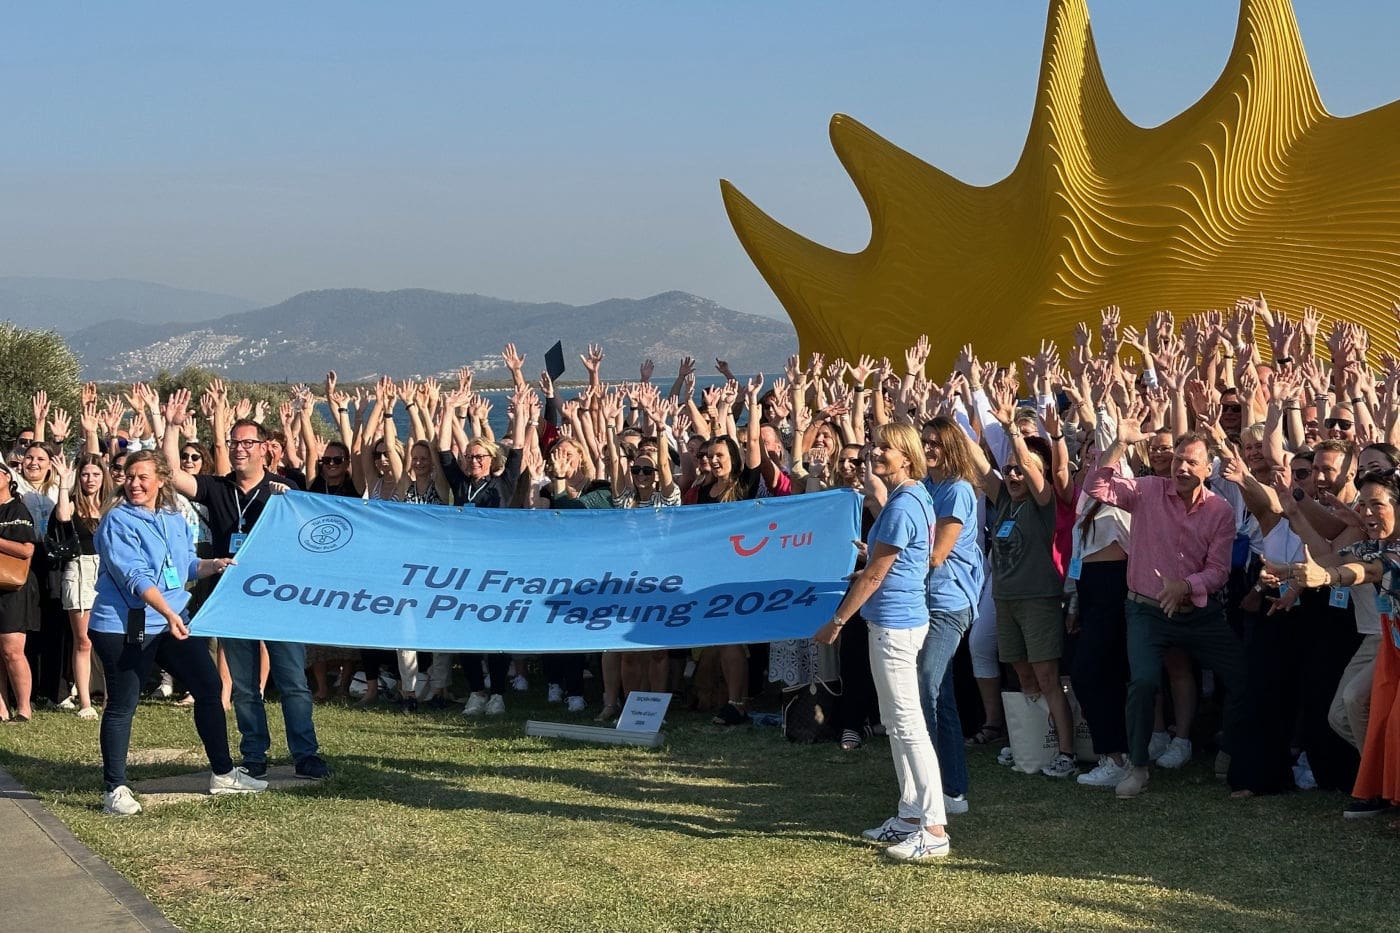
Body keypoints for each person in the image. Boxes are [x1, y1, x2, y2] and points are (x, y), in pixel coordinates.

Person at [161, 392, 330, 780]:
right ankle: (254, 754)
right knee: (244, 686)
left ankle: (305, 753)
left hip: (278, 599)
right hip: (235, 599)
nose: (239, 449)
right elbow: (171, 472)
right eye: (234, 443)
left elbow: (312, 534)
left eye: (247, 443)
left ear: (264, 448)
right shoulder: (218, 488)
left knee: (293, 682)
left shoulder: (283, 490)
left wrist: (296, 504)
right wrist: (171, 427)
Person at [88, 450, 266, 815]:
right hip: (125, 625)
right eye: (129, 477)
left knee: (209, 687)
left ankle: (223, 773)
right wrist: (169, 611)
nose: (134, 484)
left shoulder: (173, 516)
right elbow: (134, 577)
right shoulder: (117, 520)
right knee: (123, 704)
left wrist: (213, 565)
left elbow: (184, 565)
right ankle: (115, 790)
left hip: (171, 620)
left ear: (161, 481)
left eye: (142, 477)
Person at [814, 423, 949, 862]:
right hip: (893, 620)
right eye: (876, 444)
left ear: (907, 457)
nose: (875, 452)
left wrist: (837, 621)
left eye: (885, 447)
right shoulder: (906, 501)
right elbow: (886, 564)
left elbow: (877, 574)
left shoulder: (903, 505)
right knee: (895, 723)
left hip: (895, 624)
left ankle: (933, 826)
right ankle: (910, 815)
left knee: (908, 725)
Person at [1086, 428, 1246, 798]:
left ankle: (1231, 750)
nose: (1182, 467)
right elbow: (1096, 486)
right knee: (1142, 682)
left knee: (1241, 675)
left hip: (1198, 613)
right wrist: (1120, 444)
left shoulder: (1220, 511)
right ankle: (1138, 767)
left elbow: (1219, 570)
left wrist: (1186, 585)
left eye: (1192, 461)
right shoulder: (1147, 490)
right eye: (1178, 459)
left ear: (1209, 469)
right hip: (1147, 611)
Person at [919, 417, 986, 813]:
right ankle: (942, 785)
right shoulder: (925, 487)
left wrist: (885, 562)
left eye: (935, 442)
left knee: (929, 686)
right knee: (935, 693)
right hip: (919, 602)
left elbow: (936, 554)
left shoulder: (959, 490)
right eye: (924, 441)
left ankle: (950, 787)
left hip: (949, 602)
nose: (928, 448)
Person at [52, 454, 112, 719]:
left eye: (96, 474)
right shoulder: (74, 504)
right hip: (80, 568)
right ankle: (85, 702)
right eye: (86, 474)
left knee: (109, 638)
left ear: (103, 477)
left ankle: (112, 697)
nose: (90, 480)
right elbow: (63, 517)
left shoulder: (111, 504)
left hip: (108, 570)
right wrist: (64, 483)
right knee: (84, 640)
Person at [0, 460, 36, 723]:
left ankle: (24, 707)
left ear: (6, 477)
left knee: (13, 650)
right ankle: (1, 708)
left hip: (12, 588)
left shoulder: (17, 508)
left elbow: (26, 550)